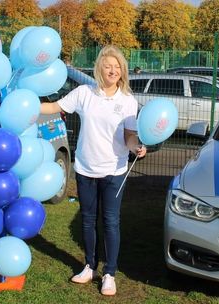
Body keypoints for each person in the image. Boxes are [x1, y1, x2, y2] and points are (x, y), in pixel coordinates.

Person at [40, 45, 147, 296]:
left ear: (122, 71)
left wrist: (136, 147)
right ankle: (89, 266)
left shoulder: (128, 100)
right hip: (86, 168)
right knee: (88, 221)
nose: (112, 70)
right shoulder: (84, 93)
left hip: (114, 170)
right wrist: (25, 105)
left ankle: (109, 273)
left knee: (110, 221)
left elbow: (129, 135)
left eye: (117, 66)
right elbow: (54, 107)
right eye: (108, 65)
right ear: (100, 68)